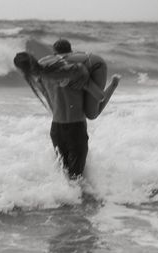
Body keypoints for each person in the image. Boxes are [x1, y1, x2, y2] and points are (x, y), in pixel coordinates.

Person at [14, 40, 120, 179]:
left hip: (56, 130)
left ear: (54, 54)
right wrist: (112, 85)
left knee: (65, 177)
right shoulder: (76, 73)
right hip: (75, 129)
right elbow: (99, 97)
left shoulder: (42, 77)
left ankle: (65, 199)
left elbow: (48, 99)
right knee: (76, 178)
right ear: (70, 52)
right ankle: (80, 199)